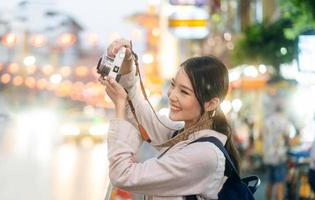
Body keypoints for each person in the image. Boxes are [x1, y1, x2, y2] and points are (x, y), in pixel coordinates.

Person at [99, 38, 240, 199]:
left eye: (184, 92)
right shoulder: (185, 133)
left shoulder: (205, 154)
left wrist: (119, 105)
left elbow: (123, 175)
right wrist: (127, 60)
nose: (172, 96)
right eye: (173, 85)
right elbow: (138, 113)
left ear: (211, 104)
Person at [262, 105, 291, 200]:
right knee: (280, 183)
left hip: (268, 156)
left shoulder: (267, 120)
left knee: (270, 182)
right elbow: (287, 138)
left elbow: (260, 136)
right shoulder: (284, 121)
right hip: (279, 156)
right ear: (283, 110)